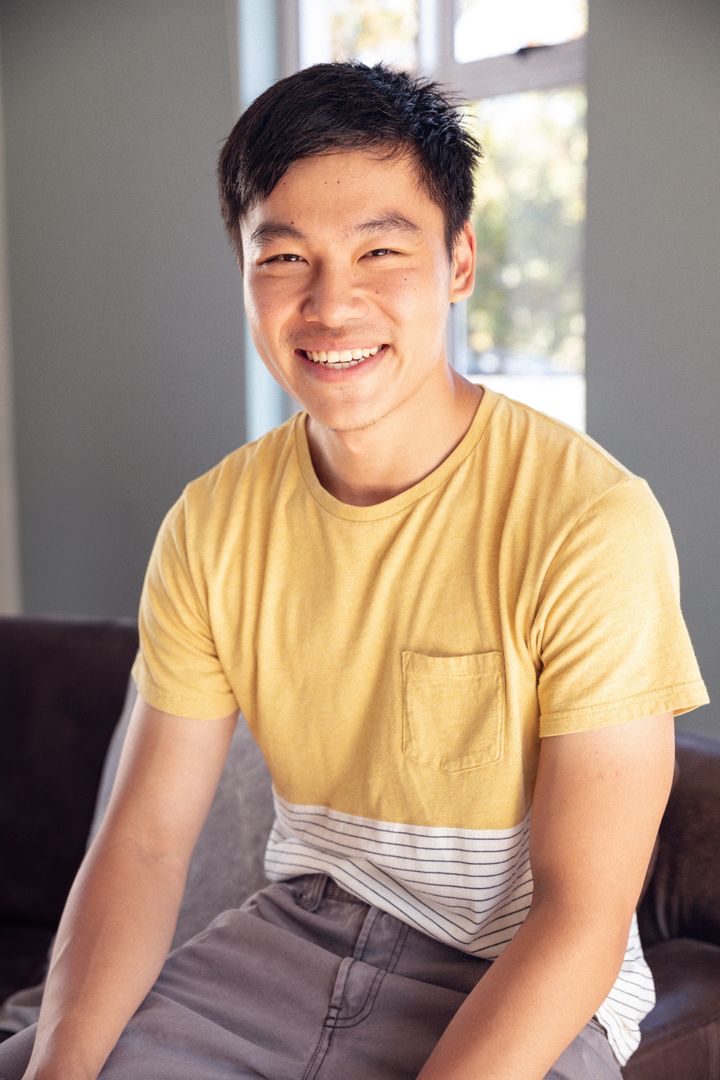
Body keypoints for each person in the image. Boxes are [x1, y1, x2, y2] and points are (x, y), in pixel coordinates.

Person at [0, 61, 708, 1080]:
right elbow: (147, 848)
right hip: (287, 941)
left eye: (381, 249)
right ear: (245, 271)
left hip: (516, 977)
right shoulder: (211, 524)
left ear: (459, 261)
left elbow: (578, 917)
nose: (332, 304)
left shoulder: (590, 519)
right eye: (284, 256)